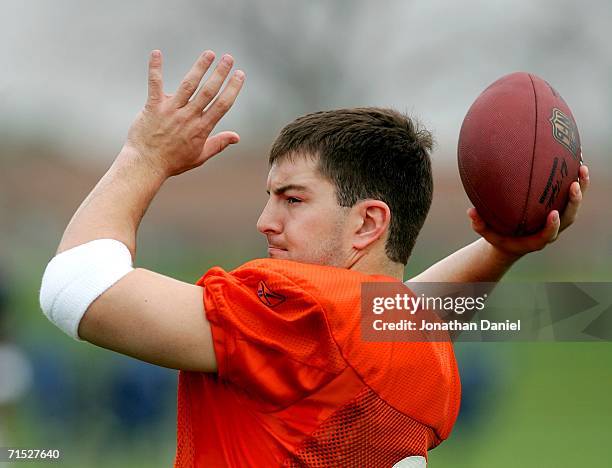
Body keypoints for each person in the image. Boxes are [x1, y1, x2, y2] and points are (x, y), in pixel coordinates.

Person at [39, 50, 588, 467]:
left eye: (293, 199)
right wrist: (499, 250)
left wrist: (145, 155)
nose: (265, 221)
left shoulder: (300, 314)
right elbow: (397, 317)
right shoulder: (425, 355)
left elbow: (76, 287)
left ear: (369, 223)